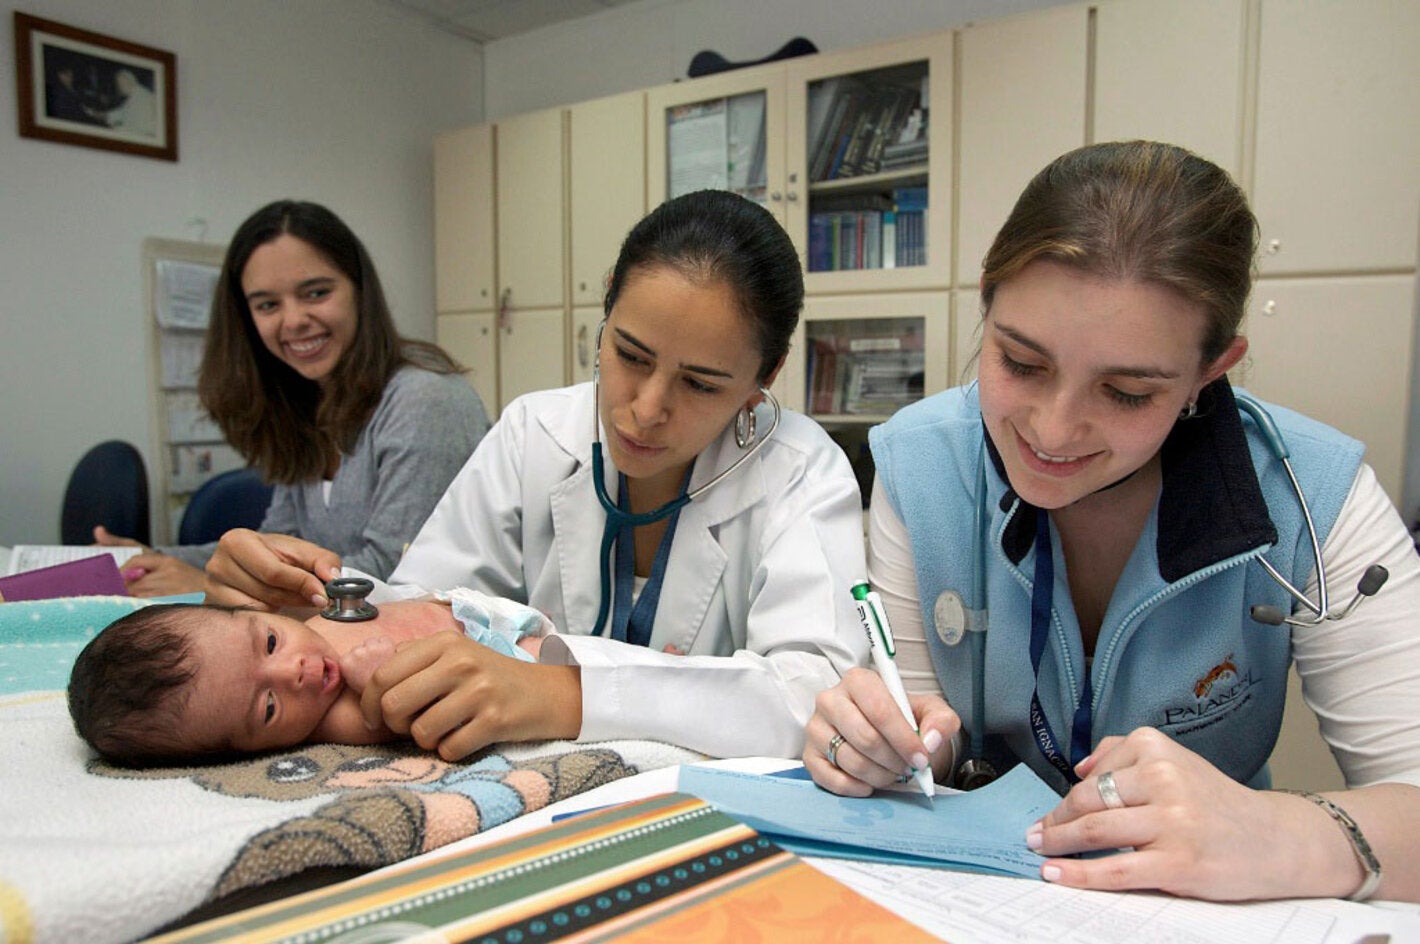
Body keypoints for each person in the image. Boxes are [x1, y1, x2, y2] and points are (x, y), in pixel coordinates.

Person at [802, 141, 1420, 903]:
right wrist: (873, 744)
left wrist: (1282, 831)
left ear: (1210, 371)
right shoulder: (919, 468)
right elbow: (922, 740)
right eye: (1021, 363)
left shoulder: (1317, 499)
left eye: (1127, 392)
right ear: (986, 308)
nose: (1053, 432)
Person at [203, 189, 870, 762]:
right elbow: (423, 607)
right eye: (630, 355)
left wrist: (564, 694)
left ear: (766, 377)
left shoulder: (801, 473)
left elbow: (820, 698)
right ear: (604, 315)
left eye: (699, 383)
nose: (644, 409)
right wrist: (300, 604)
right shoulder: (533, 434)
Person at [97, 200, 490, 597]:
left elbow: (395, 574)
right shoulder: (309, 398)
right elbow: (277, 545)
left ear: (360, 291)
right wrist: (157, 558)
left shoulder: (427, 400)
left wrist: (210, 583)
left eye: (316, 293)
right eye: (268, 304)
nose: (294, 320)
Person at [67, 591, 549, 766]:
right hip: (511, 662)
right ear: (253, 749)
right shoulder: (335, 717)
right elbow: (407, 713)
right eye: (268, 707)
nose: (291, 671)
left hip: (479, 608)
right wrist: (378, 675)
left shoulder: (309, 627)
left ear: (256, 613)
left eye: (271, 642)